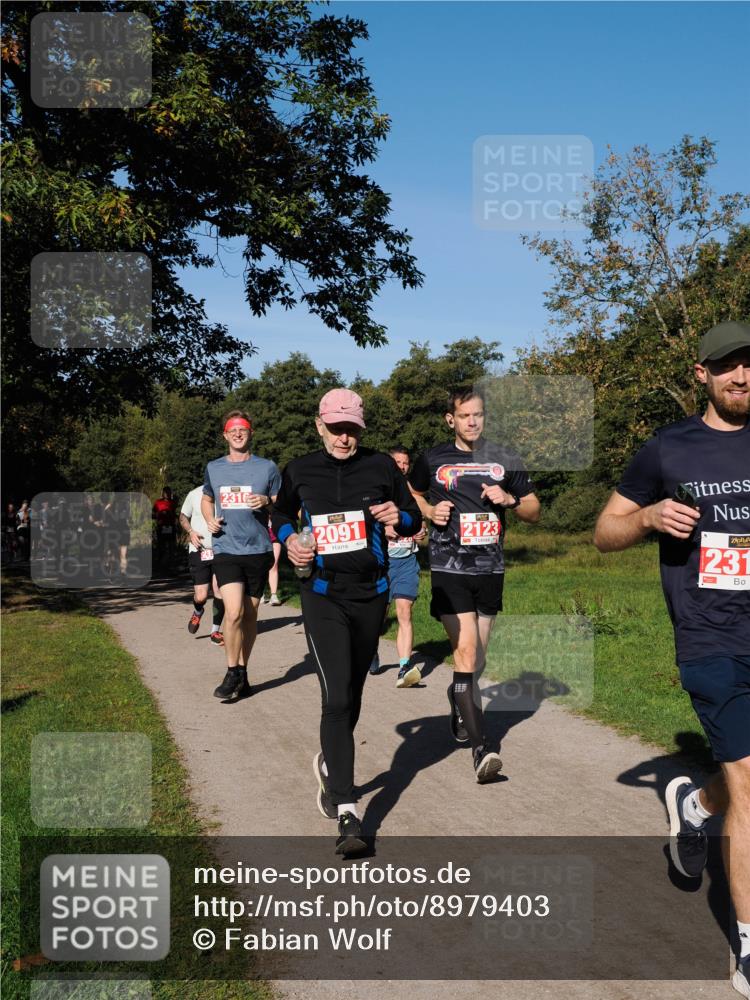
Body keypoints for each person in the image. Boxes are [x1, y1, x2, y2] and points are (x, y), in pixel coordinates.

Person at [594, 320, 750, 998]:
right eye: (729, 366)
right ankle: (748, 948)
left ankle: (695, 804)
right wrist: (648, 519)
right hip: (710, 635)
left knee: (741, 783)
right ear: (702, 374)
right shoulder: (668, 448)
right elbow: (604, 532)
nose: (742, 376)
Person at [271, 388, 422, 856]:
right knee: (335, 696)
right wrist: (289, 538)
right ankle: (347, 810)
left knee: (352, 693)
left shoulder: (381, 467)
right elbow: (279, 512)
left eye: (351, 429)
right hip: (321, 594)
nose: (343, 437)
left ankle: (330, 764)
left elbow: (413, 518)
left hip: (371, 595)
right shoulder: (299, 469)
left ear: (360, 429)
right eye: (336, 428)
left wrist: (399, 516)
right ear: (319, 425)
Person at [409, 386, 540, 783]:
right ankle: (482, 748)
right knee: (465, 652)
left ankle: (458, 696)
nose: (472, 422)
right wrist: (429, 510)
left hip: (490, 569)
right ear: (451, 419)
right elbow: (411, 491)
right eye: (464, 416)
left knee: (476, 660)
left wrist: (510, 500)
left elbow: (534, 510)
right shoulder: (432, 459)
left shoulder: (505, 459)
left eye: (478, 415)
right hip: (449, 567)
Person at [202, 410, 281, 701]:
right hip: (226, 548)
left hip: (258, 549)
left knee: (250, 615)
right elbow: (207, 498)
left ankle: (243, 672)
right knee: (233, 612)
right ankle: (232, 670)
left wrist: (267, 500)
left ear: (250, 433)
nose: (238, 433)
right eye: (233, 430)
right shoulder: (214, 468)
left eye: (243, 429)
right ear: (225, 435)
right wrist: (209, 519)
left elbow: (281, 502)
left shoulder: (267, 467)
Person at [369, 445, 426, 687]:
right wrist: (384, 529)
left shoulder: (412, 494)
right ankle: (371, 649)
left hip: (406, 562)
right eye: (398, 462)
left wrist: (420, 531)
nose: (402, 467)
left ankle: (404, 667)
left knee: (405, 611)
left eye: (405, 462)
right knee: (377, 616)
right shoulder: (376, 490)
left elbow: (420, 523)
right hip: (382, 563)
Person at [180, 485, 224, 645]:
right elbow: (183, 517)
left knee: (220, 591)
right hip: (199, 550)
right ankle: (198, 611)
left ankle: (215, 631)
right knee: (201, 596)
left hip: (221, 550)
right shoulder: (194, 494)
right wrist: (191, 532)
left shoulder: (225, 492)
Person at [152, 487, 177, 572]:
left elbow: (176, 513)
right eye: (165, 492)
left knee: (171, 546)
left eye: (169, 492)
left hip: (171, 526)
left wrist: (170, 514)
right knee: (161, 546)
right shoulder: (158, 502)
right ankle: (160, 565)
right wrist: (160, 514)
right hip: (161, 526)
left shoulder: (173, 502)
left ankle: (171, 565)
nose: (167, 494)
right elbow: (153, 514)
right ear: (162, 493)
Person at [262, 518, 282, 605]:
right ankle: (260, 594)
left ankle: (274, 596)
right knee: (259, 566)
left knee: (274, 565)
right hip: (259, 535)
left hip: (274, 535)